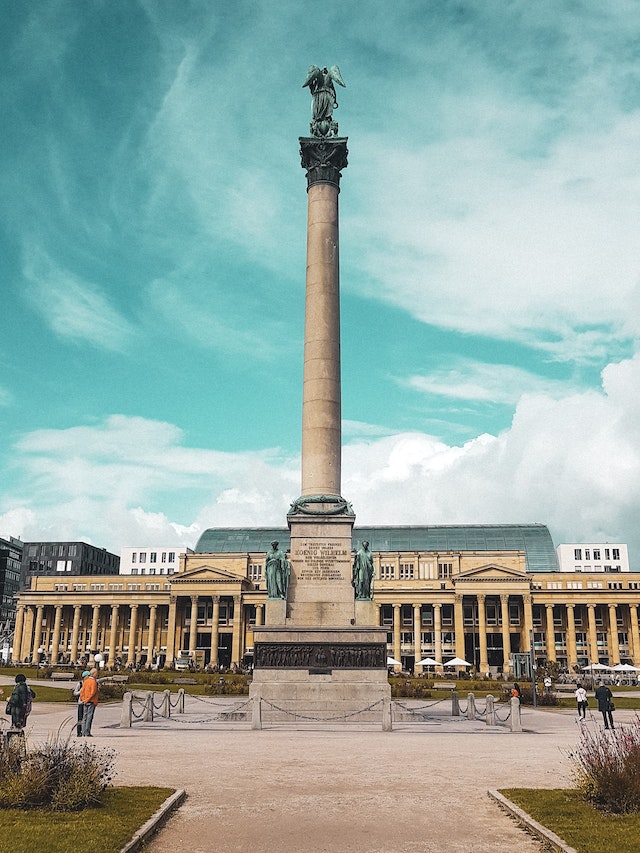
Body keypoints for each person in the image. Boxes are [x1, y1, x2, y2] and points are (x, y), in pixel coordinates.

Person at [79, 667, 99, 736]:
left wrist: (83, 699)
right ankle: (87, 732)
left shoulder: (86, 681)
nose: (97, 675)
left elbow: (82, 691)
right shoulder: (93, 682)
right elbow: (93, 693)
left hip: (85, 701)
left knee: (84, 717)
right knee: (89, 717)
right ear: (93, 674)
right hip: (91, 701)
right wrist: (88, 700)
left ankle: (83, 732)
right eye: (96, 673)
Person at [73, 670, 90, 736]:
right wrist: (81, 691)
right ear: (85, 677)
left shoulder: (89, 683)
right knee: (80, 718)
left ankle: (85, 731)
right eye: (88, 676)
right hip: (81, 703)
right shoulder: (80, 684)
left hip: (87, 702)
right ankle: (79, 731)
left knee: (86, 718)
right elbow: (75, 693)